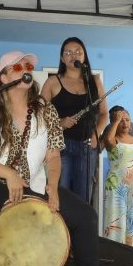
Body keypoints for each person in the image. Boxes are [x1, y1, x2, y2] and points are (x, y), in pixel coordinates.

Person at [0, 51, 122, 266]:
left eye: (28, 65)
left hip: (34, 181)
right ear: (3, 77)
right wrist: (8, 174)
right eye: (17, 66)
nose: (25, 69)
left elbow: (53, 155)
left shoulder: (45, 109)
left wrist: (53, 185)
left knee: (85, 215)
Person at [40, 37, 107, 203]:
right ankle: (62, 229)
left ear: (84, 57)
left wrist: (96, 134)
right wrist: (60, 123)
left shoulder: (95, 82)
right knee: (61, 194)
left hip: (87, 147)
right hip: (61, 147)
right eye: (68, 52)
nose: (73, 55)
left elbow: (104, 114)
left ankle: (80, 229)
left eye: (78, 51)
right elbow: (38, 115)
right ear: (62, 58)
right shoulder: (52, 82)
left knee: (84, 196)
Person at [101, 106, 133, 248]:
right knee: (116, 219)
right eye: (121, 120)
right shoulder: (112, 140)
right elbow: (107, 139)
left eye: (127, 120)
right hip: (117, 186)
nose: (125, 123)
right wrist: (115, 121)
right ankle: (115, 251)